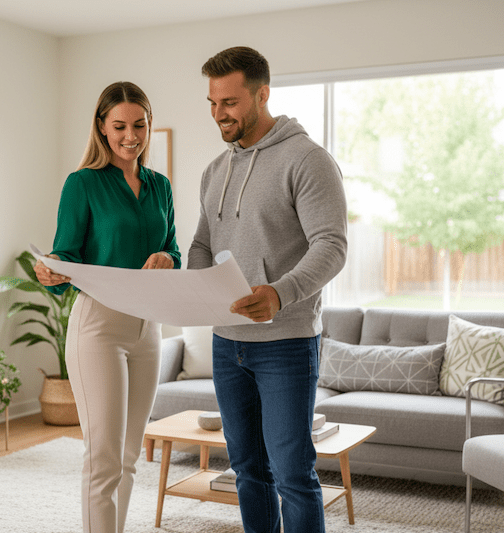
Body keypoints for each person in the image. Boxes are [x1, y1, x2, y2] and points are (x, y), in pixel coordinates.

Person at [189, 46, 348, 533]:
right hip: (226, 343)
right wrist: (189, 282)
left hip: (285, 344)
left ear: (262, 94)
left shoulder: (308, 160)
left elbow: (332, 245)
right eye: (213, 103)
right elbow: (201, 243)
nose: (219, 114)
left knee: (292, 474)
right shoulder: (216, 170)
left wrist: (280, 293)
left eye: (230, 103)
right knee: (247, 470)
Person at [34, 81, 180, 533]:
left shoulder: (160, 186)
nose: (130, 135)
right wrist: (52, 269)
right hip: (98, 327)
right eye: (120, 126)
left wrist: (168, 258)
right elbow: (66, 254)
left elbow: (173, 247)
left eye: (140, 125)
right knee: (103, 458)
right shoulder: (83, 184)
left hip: (147, 329)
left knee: (130, 457)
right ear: (102, 126)